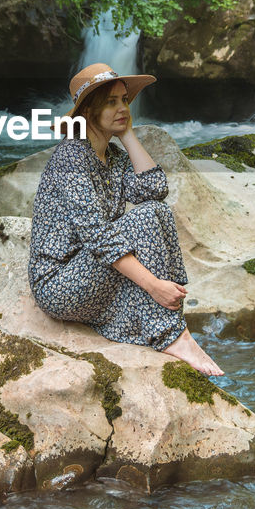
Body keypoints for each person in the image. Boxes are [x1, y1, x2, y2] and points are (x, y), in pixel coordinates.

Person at [28, 63, 224, 377]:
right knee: (144, 219)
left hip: (92, 269)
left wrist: (129, 134)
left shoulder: (116, 157)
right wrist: (154, 286)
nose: (123, 108)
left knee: (156, 211)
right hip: (59, 284)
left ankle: (172, 329)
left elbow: (155, 189)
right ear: (89, 112)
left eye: (125, 100)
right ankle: (172, 334)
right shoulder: (71, 156)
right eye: (111, 102)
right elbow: (99, 237)